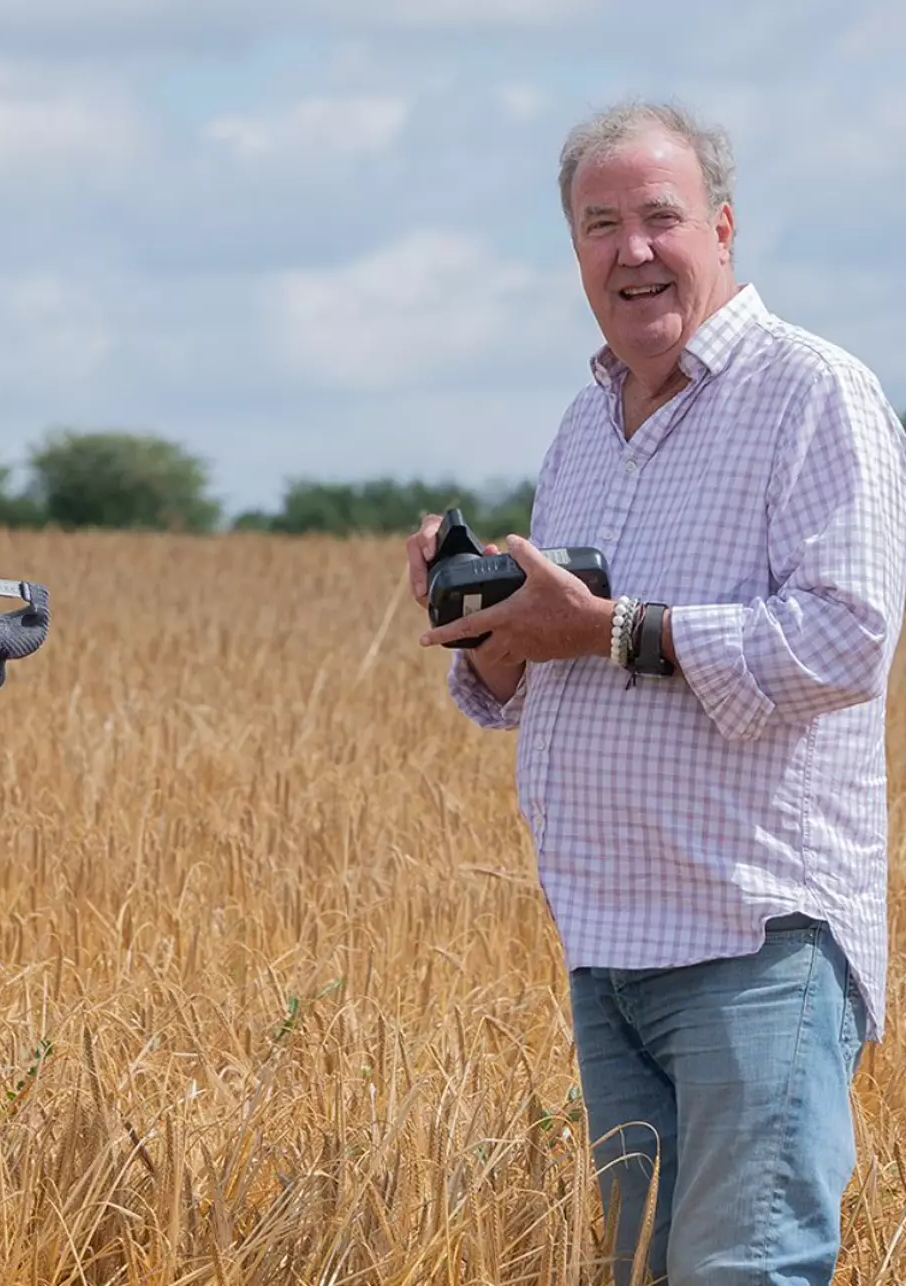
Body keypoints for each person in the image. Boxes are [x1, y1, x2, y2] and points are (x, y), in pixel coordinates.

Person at [407, 101, 906, 1285]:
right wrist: (486, 621)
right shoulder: (587, 423)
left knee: (746, 1269)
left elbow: (848, 640)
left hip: (754, 938)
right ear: (574, 252)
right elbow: (540, 673)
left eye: (659, 218)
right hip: (612, 945)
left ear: (722, 228)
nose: (632, 249)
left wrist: (613, 626)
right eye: (600, 226)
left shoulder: (814, 393)